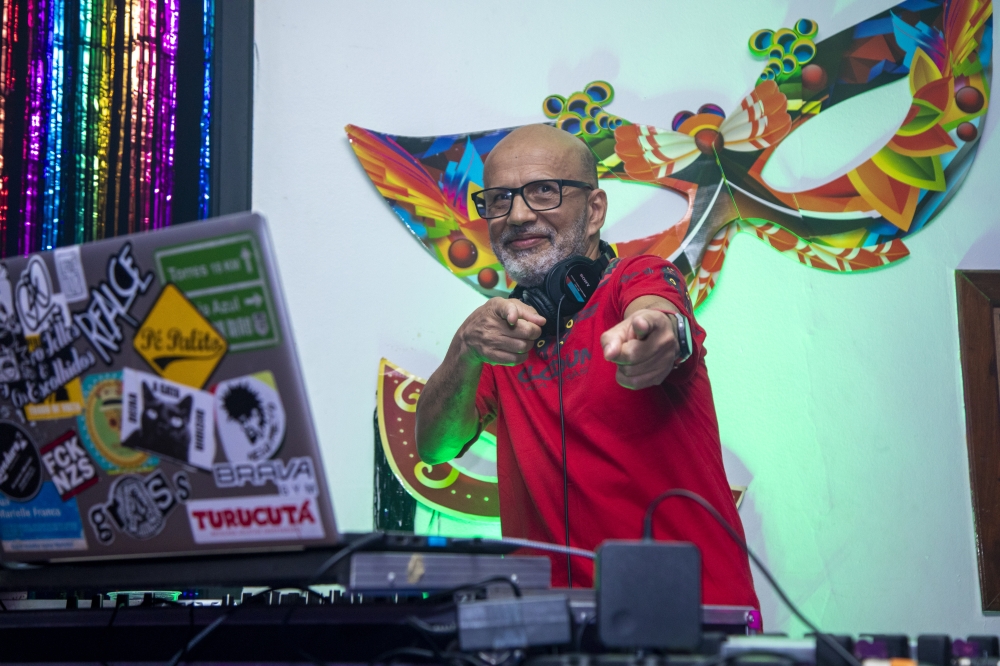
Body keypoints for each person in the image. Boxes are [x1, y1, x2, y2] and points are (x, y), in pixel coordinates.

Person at [414, 124, 758, 607]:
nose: (517, 215)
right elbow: (434, 446)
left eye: (543, 191)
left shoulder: (637, 277)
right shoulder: (501, 335)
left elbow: (660, 315)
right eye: (499, 199)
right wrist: (464, 349)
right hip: (554, 625)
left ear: (594, 210)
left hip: (689, 616)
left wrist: (658, 334)